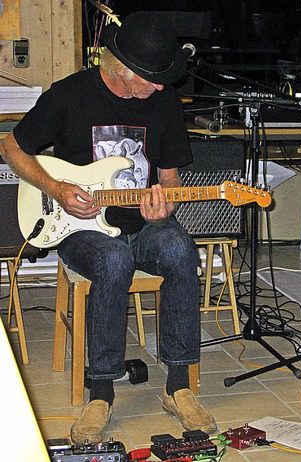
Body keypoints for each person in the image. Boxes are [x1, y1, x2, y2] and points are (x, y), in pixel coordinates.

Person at [0, 12, 216, 443]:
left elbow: (169, 176)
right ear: (121, 69)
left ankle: (179, 386)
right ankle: (100, 390)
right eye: (152, 80)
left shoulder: (164, 102)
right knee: (114, 258)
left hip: (143, 222)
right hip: (77, 227)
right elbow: (11, 147)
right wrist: (57, 188)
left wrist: (163, 204)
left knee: (179, 249)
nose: (160, 88)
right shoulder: (69, 95)